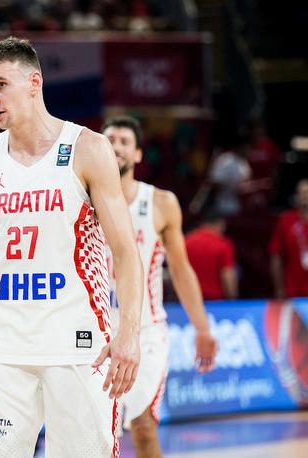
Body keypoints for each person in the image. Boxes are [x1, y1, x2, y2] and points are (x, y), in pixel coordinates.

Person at [0, 37, 143, 457]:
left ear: (34, 82)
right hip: (0, 347)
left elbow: (127, 253)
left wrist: (128, 333)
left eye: (1, 85)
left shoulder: (88, 149)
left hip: (75, 345)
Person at [102, 115, 218, 458]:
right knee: (96, 435)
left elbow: (180, 270)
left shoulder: (160, 203)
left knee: (142, 427)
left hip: (146, 332)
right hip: (94, 331)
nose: (116, 146)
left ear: (138, 154)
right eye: (109, 140)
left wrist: (201, 327)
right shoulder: (83, 200)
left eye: (124, 141)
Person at [185, 210, 238, 300]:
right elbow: (227, 275)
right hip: (215, 302)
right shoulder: (223, 244)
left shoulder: (185, 242)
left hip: (188, 300)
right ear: (220, 224)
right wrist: (233, 298)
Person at [270, 179, 308, 299]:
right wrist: (279, 288)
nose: (306, 196)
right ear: (296, 196)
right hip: (293, 292)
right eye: (303, 193)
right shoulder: (286, 220)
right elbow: (276, 255)